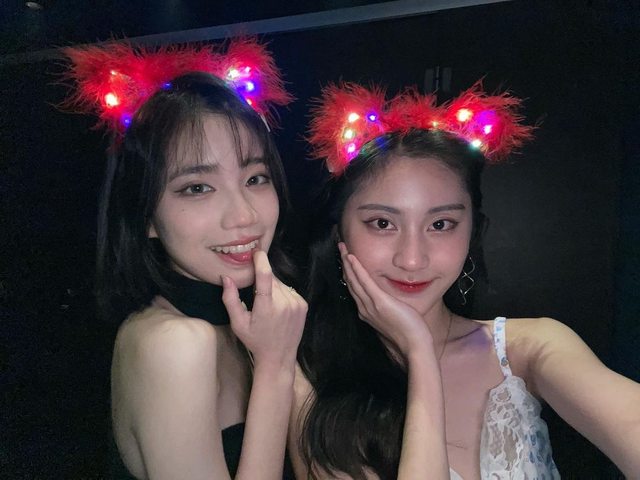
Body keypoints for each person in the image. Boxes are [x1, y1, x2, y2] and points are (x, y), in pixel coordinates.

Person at [288, 83, 640, 479]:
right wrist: (420, 351)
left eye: (441, 224)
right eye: (382, 223)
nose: (412, 259)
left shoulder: (530, 348)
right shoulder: (310, 379)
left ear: (472, 232)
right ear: (339, 234)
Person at [64, 40, 306, 479]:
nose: (244, 216)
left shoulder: (255, 320)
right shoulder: (173, 344)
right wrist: (275, 370)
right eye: (197, 188)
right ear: (146, 216)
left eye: (255, 178)